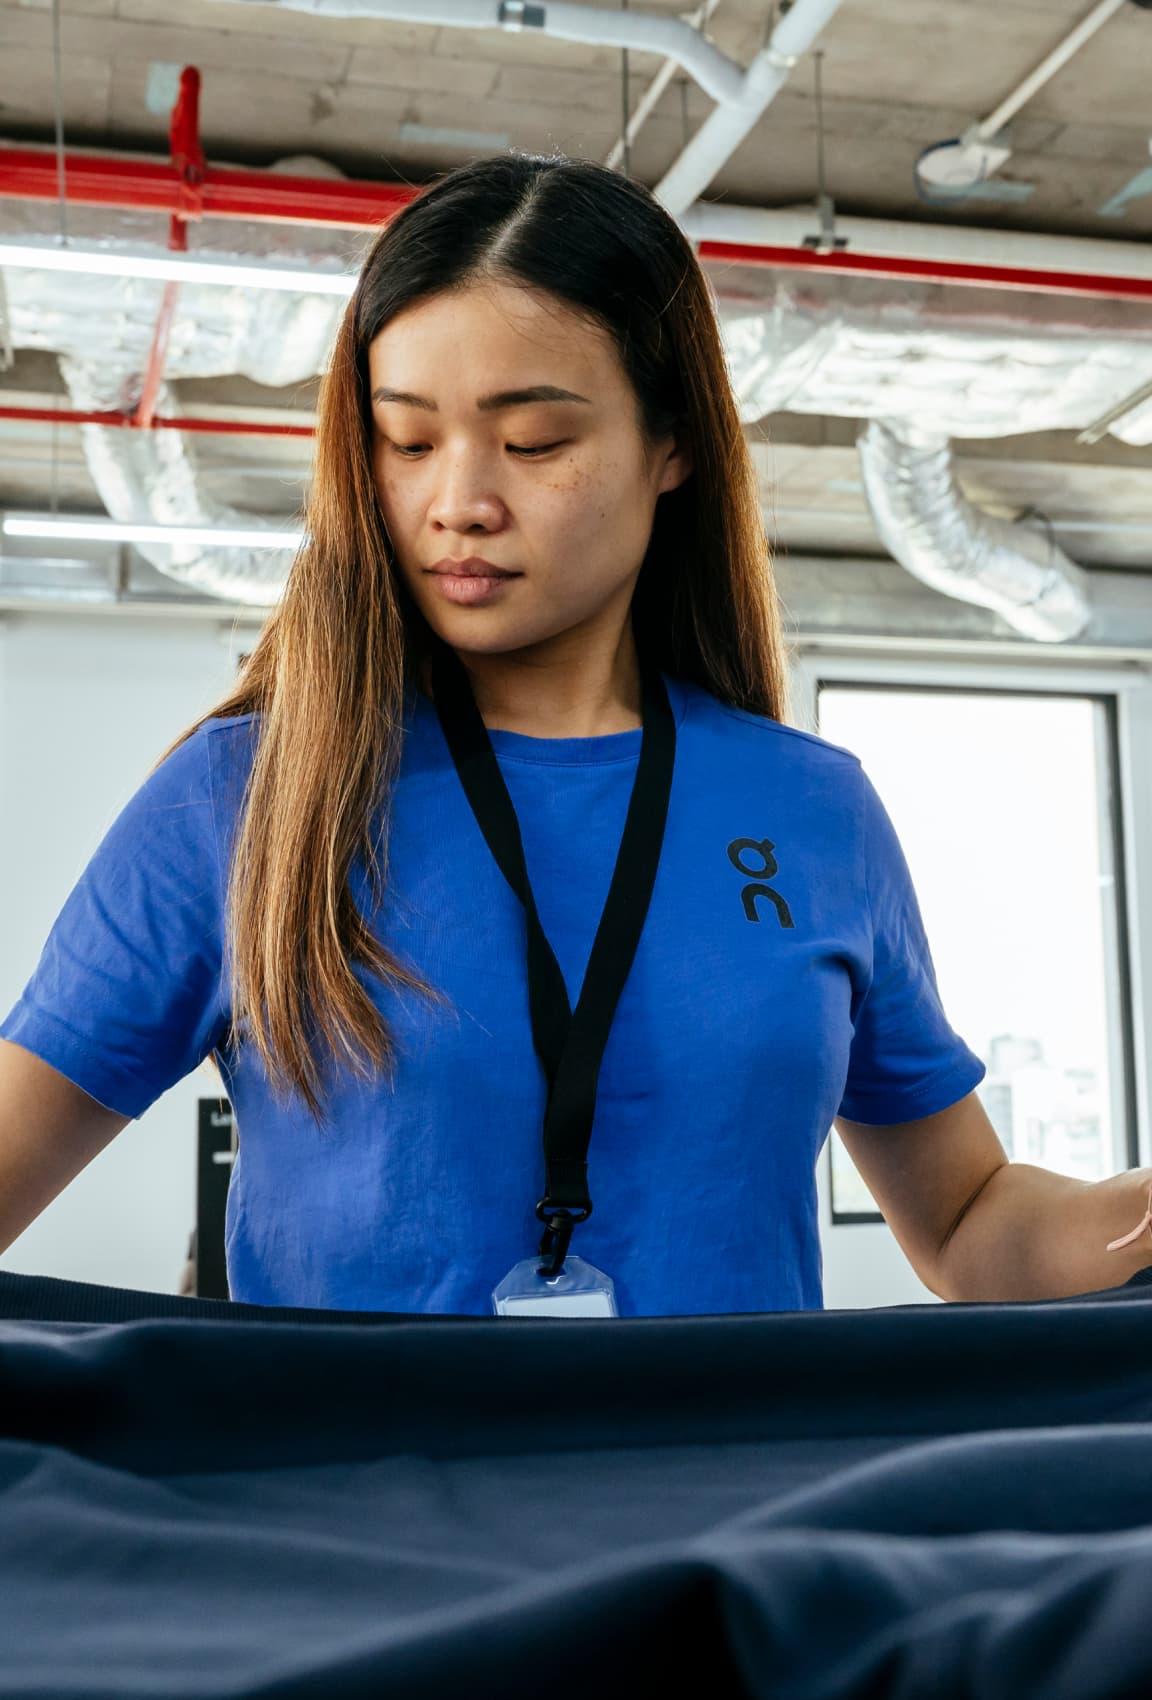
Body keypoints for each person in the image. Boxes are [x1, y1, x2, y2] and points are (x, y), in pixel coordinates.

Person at [1, 153, 1150, 1317]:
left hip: (742, 1493)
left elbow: (967, 1220)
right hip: (356, 1496)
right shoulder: (247, 798)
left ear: (674, 444)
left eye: (536, 441)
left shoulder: (812, 808)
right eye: (407, 441)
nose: (459, 500)